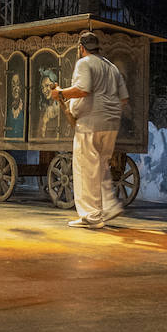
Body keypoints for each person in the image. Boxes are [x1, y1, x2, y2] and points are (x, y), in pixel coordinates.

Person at [52, 30, 129, 229]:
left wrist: (60, 92)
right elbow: (124, 98)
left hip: (90, 125)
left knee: (85, 168)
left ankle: (91, 217)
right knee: (101, 167)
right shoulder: (111, 67)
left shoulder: (84, 63)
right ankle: (109, 206)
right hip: (111, 124)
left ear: (82, 48)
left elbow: (83, 89)